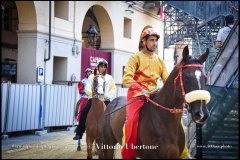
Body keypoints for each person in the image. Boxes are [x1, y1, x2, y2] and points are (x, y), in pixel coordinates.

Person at [121, 27, 191, 159]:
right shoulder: (135, 58)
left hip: (154, 95)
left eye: (156, 41)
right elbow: (126, 78)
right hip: (137, 95)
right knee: (131, 121)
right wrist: (141, 89)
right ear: (144, 42)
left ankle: (184, 153)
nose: (155, 43)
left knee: (177, 118)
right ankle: (128, 155)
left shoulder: (159, 61)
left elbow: (167, 81)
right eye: (152, 40)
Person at [73, 59, 116, 140]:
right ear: (98, 67)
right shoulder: (91, 77)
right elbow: (87, 88)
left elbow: (113, 89)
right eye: (101, 66)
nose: (102, 68)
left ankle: (113, 132)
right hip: (93, 99)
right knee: (84, 112)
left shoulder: (109, 78)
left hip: (105, 99)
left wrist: (106, 96)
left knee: (113, 114)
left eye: (104, 67)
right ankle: (79, 132)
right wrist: (94, 95)